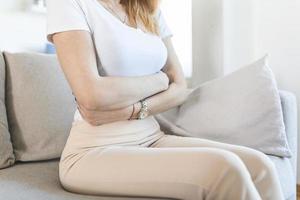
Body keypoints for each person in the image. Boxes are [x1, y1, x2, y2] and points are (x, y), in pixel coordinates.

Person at [46, 0, 284, 199]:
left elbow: (180, 88)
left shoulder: (148, 8)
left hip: (151, 137)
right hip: (93, 151)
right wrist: (159, 81)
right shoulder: (70, 3)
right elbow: (92, 94)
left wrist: (133, 110)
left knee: (260, 165)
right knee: (225, 168)